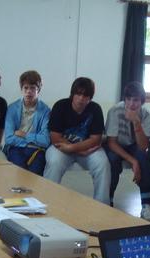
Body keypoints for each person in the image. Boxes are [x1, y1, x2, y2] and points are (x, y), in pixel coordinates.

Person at [43, 77, 110, 205]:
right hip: (62, 148)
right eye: (78, 94)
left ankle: (102, 206)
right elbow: (55, 137)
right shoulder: (60, 106)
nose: (81, 98)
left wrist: (74, 148)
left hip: (86, 150)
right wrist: (76, 149)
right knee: (54, 162)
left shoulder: (95, 109)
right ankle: (47, 202)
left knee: (103, 164)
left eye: (85, 95)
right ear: (72, 94)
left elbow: (96, 139)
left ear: (90, 98)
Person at [104, 82, 150, 220]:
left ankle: (146, 205)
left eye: (136, 100)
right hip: (117, 144)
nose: (132, 104)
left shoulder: (147, 114)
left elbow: (143, 146)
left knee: (143, 158)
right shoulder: (115, 111)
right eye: (129, 99)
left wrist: (136, 122)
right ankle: (109, 199)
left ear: (141, 101)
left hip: (134, 144)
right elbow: (111, 143)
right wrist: (133, 162)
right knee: (113, 160)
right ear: (124, 99)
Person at [3, 70, 50, 175]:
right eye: (26, 88)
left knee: (35, 174)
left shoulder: (45, 111)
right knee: (19, 172)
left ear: (38, 90)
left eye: (33, 88)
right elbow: (9, 139)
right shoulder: (12, 108)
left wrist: (24, 135)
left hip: (37, 151)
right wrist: (32, 141)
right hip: (16, 148)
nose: (29, 91)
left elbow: (45, 141)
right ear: (21, 89)